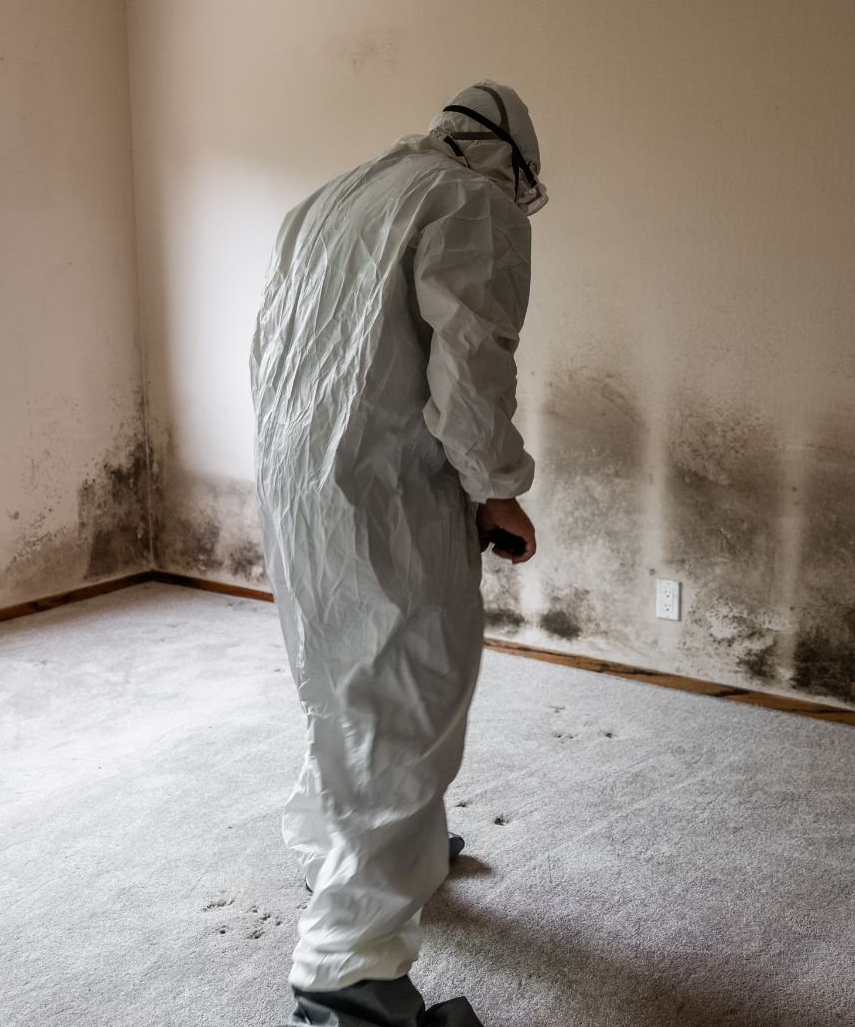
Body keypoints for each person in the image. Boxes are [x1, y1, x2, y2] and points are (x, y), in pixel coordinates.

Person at [250, 81, 547, 1027]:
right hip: (389, 491)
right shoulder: (471, 202)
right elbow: (471, 359)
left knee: (341, 681)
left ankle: (341, 849)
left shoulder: (330, 199)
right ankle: (350, 975)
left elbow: (274, 348)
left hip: (302, 482)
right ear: (507, 157)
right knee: (411, 698)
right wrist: (496, 486)